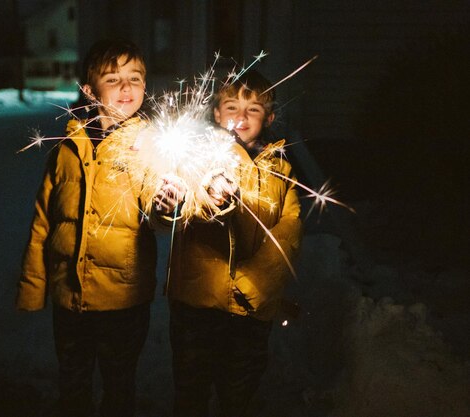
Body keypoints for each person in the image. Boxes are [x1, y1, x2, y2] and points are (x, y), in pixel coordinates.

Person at [16, 39, 157, 417]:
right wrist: (34, 287)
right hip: (70, 296)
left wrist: (169, 204)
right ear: (89, 90)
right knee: (73, 383)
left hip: (123, 299)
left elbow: (161, 213)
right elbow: (44, 220)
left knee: (118, 386)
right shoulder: (66, 147)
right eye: (114, 79)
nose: (127, 88)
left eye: (135, 78)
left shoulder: (149, 148)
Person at [162, 70, 303, 416]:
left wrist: (255, 285)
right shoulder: (197, 157)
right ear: (215, 113)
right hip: (196, 304)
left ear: (269, 118)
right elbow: (184, 205)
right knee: (191, 393)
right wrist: (213, 201)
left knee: (238, 395)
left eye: (253, 110)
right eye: (231, 106)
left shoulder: (281, 170)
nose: (241, 117)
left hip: (251, 309)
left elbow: (289, 231)